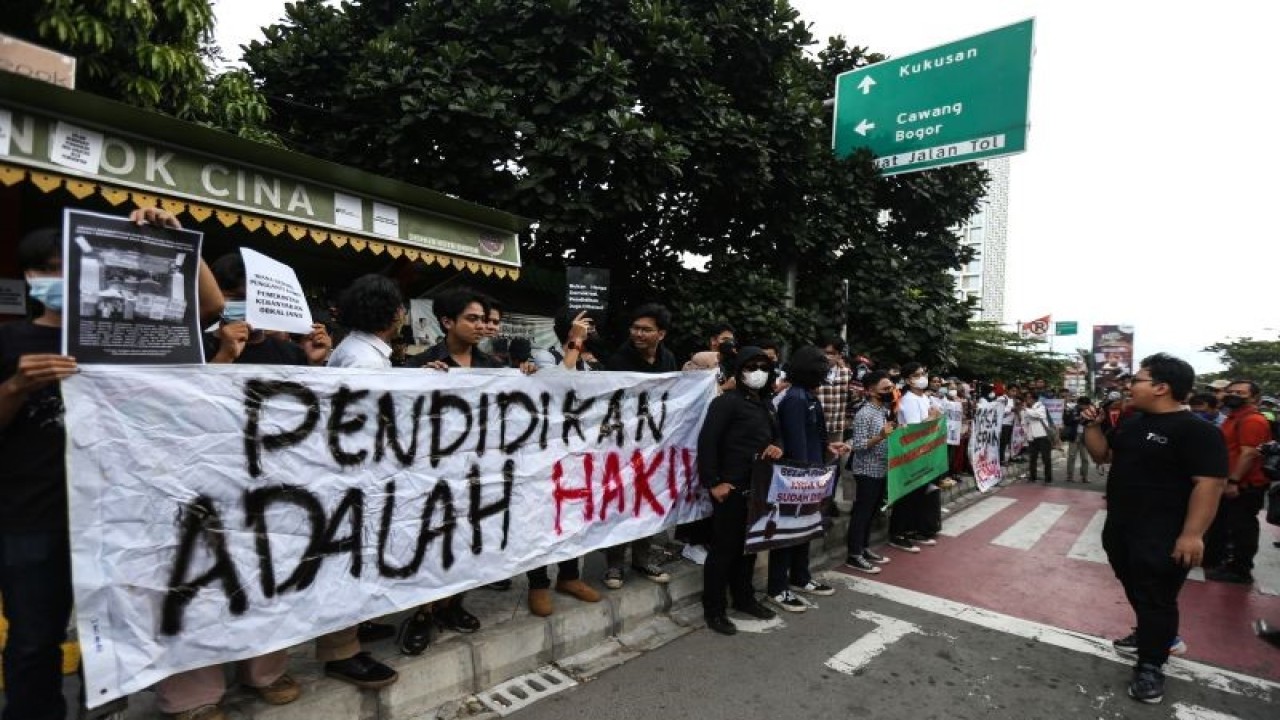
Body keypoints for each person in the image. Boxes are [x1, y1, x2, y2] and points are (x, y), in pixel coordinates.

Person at [0, 208, 222, 720]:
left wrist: (175, 240)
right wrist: (15, 386)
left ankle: (108, 710)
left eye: (70, 268)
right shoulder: (11, 344)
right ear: (30, 277)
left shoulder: (127, 330)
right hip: (35, 515)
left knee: (119, 629)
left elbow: (209, 305)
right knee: (34, 638)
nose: (60, 279)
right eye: (48, 269)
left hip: (118, 513)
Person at [1081, 353, 1228, 705]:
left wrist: (1191, 535)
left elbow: (1210, 484)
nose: (1130, 385)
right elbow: (1102, 455)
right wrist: (1091, 425)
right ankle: (1155, 634)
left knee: (1157, 596)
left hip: (1163, 532)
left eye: (1138, 379)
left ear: (1161, 387)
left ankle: (1151, 665)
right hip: (1120, 525)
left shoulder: (1199, 431)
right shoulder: (1133, 422)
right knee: (1135, 584)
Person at [309, 274, 405, 690]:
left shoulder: (358, 351)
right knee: (348, 558)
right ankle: (341, 650)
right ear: (390, 314)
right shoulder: (363, 360)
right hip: (356, 477)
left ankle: (354, 629)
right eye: (401, 307)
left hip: (359, 473)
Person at [697, 347, 782, 635]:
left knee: (750, 549)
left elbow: (776, 436)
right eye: (751, 366)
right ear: (739, 370)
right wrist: (714, 483)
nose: (757, 372)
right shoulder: (726, 403)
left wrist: (777, 447)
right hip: (731, 489)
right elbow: (707, 444)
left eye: (762, 366)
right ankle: (714, 609)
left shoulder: (767, 403)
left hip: (759, 488)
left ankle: (744, 598)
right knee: (724, 551)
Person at [523, 311, 602, 616]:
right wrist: (575, 342)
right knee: (541, 519)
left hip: (577, 454)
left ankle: (569, 577)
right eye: (583, 325)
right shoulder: (544, 357)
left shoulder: (590, 361)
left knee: (571, 517)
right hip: (543, 454)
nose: (589, 330)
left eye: (590, 326)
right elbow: (556, 384)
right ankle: (538, 583)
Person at [601, 303, 679, 589]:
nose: (638, 333)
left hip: (654, 444)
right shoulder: (619, 359)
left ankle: (642, 558)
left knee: (649, 502)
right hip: (622, 445)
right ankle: (614, 565)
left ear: (661, 333)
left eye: (646, 329)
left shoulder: (668, 358)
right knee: (621, 502)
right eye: (635, 328)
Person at [767, 346, 841, 612]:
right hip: (796, 479)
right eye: (823, 368)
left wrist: (828, 449)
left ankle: (800, 577)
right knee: (787, 533)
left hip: (811, 477)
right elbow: (795, 443)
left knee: (805, 529)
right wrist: (805, 474)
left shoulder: (809, 397)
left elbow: (817, 435)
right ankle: (777, 588)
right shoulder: (795, 399)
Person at [1203, 380, 1271, 585]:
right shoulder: (1233, 417)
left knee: (1242, 527)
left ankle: (1240, 570)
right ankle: (1217, 560)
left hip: (1244, 485)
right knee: (1224, 524)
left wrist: (1234, 481)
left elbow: (1248, 454)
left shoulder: (1252, 420)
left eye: (1240, 393)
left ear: (1254, 398)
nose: (1233, 395)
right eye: (1230, 391)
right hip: (1231, 481)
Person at [844, 371, 897, 573]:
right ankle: (854, 555)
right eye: (885, 389)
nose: (890, 392)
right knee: (862, 513)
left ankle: (864, 548)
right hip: (866, 470)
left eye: (891, 388)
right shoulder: (864, 413)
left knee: (871, 512)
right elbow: (858, 445)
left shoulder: (882, 410)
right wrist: (881, 436)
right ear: (870, 390)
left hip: (880, 468)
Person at [1022, 391, 1054, 483]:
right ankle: (1033, 477)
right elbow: (1025, 421)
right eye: (1026, 398)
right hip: (1032, 436)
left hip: (1042, 435)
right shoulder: (1028, 409)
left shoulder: (1041, 406)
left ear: (1033, 399)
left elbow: (1036, 414)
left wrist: (1026, 409)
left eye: (1028, 397)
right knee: (1032, 458)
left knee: (1046, 458)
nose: (1027, 400)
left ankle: (1048, 478)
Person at [1062, 396, 1092, 482]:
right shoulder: (1072, 410)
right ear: (1080, 404)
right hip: (1074, 435)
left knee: (1085, 458)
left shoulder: (1090, 410)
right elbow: (1067, 421)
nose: (1087, 407)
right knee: (1072, 456)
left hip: (1084, 436)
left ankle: (1084, 476)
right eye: (1085, 405)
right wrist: (1079, 418)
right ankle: (1070, 476)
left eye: (1088, 405)